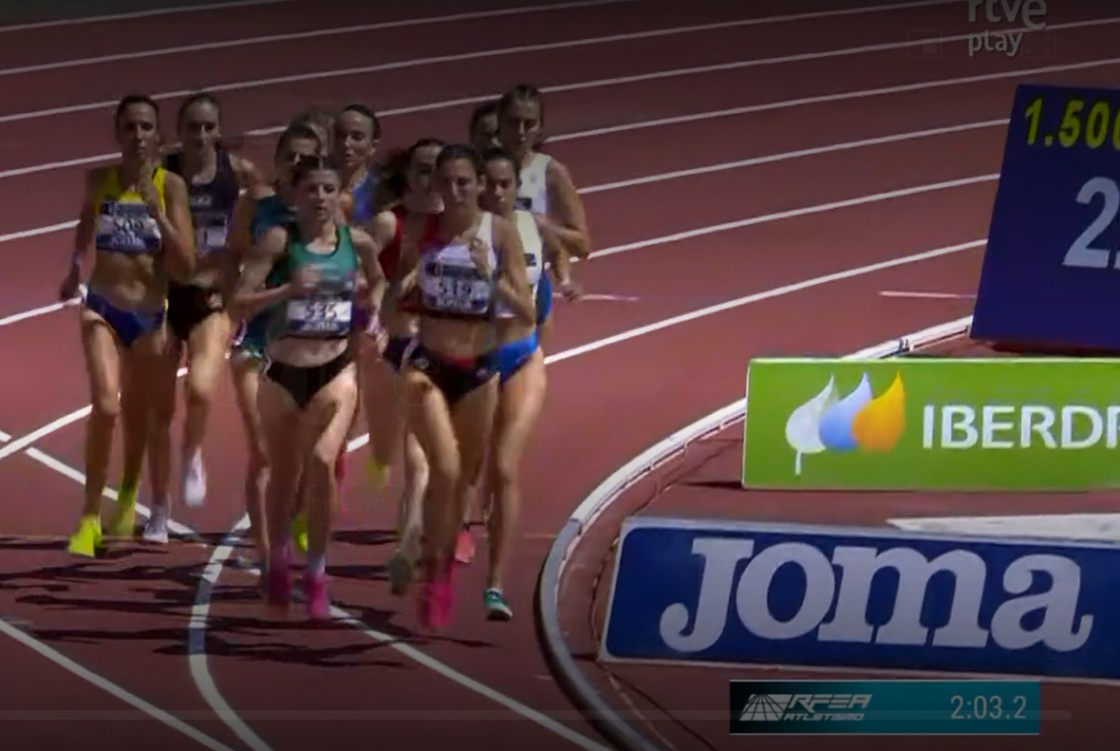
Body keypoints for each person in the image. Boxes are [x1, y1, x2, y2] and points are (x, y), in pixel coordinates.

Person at [234, 154, 387, 619]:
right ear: (295, 195)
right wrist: (285, 292)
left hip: (336, 368)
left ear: (340, 195)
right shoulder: (279, 241)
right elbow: (238, 302)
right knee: (284, 477)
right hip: (282, 371)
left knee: (322, 462)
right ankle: (278, 559)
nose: (320, 198)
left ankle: (317, 571)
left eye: (328, 189)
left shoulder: (356, 242)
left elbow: (379, 281)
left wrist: (373, 315)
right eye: (310, 189)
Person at [394, 143, 535, 629]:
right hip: (427, 364)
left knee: (462, 482)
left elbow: (527, 312)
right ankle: (426, 559)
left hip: (478, 369)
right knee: (447, 469)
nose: (454, 192)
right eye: (445, 182)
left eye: (463, 183)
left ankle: (438, 572)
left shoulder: (500, 233)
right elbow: (394, 310)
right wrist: (403, 283)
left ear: (478, 184)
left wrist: (489, 277)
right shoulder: (421, 230)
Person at [59, 94, 195, 557]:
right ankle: (89, 515)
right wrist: (74, 271)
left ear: (158, 135)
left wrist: (159, 215)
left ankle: (141, 501)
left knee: (148, 419)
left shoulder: (170, 186)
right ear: (118, 133)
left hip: (152, 315)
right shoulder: (100, 180)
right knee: (107, 406)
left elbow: (186, 263)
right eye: (129, 127)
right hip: (102, 308)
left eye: (146, 127)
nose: (137, 136)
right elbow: (82, 230)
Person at [139, 92, 263, 543]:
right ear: (180, 132)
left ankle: (192, 452)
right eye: (194, 128)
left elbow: (264, 224)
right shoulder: (162, 174)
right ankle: (159, 506)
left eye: (210, 128)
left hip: (211, 301)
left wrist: (243, 276)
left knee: (200, 390)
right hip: (165, 297)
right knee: (158, 411)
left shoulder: (241, 175)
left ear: (219, 130)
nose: (202, 137)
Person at [226, 122, 324, 572]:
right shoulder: (256, 206)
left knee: (302, 452)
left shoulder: (330, 212)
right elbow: (235, 263)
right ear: (280, 162)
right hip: (257, 340)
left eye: (309, 159)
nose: (300, 167)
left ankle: (294, 523)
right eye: (293, 158)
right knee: (264, 450)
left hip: (308, 345)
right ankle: (267, 556)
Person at [469, 147, 549, 620]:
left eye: (506, 184)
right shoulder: (459, 233)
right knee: (470, 467)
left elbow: (536, 304)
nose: (497, 192)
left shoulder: (532, 228)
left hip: (522, 356)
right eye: (489, 183)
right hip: (472, 360)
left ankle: (496, 582)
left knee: (504, 467)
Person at [364, 137, 445, 595]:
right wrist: (374, 319)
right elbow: (368, 277)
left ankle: (409, 543)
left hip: (439, 349)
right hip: (395, 342)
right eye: (422, 169)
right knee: (389, 445)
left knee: (420, 455)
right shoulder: (387, 222)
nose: (430, 179)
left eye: (439, 170)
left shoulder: (460, 226)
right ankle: (413, 534)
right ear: (406, 173)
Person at [496, 83, 588, 348]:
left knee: (529, 375)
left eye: (529, 123)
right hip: (485, 285)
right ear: (499, 124)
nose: (521, 132)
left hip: (532, 284)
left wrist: (546, 227)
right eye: (514, 123)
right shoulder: (479, 169)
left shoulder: (551, 172)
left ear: (540, 128)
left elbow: (582, 245)